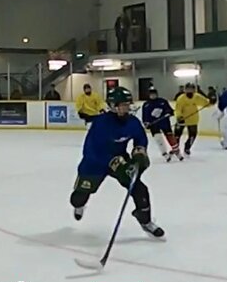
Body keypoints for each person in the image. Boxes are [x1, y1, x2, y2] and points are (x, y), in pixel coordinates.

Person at [70, 87, 164, 239]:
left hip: (119, 158)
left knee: (139, 188)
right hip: (94, 163)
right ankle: (79, 205)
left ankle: (145, 221)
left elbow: (140, 137)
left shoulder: (132, 122)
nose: (127, 108)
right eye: (123, 105)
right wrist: (113, 162)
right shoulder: (101, 123)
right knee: (78, 198)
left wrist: (139, 151)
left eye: (128, 104)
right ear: (113, 106)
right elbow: (92, 150)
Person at [140, 87, 182, 161]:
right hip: (154, 125)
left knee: (170, 136)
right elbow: (145, 116)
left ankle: (176, 150)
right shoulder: (146, 104)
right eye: (151, 94)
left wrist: (169, 112)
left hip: (164, 123)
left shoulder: (163, 101)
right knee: (158, 138)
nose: (153, 95)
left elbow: (170, 110)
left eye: (154, 94)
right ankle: (164, 153)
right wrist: (146, 123)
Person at [173, 83, 209, 156]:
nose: (189, 90)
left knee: (192, 135)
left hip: (193, 119)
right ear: (185, 90)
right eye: (188, 89)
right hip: (182, 119)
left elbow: (205, 103)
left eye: (191, 89)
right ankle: (175, 148)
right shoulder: (181, 98)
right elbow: (178, 109)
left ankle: (187, 147)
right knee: (177, 134)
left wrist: (211, 101)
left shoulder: (197, 97)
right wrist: (179, 117)